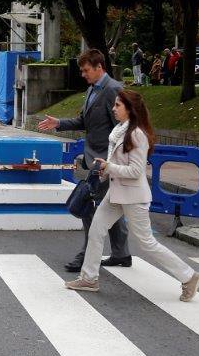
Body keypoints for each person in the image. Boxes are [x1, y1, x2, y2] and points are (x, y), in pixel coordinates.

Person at [65, 90, 199, 301]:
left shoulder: (137, 134)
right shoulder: (120, 130)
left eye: (118, 105)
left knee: (147, 242)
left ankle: (189, 276)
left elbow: (136, 171)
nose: (113, 108)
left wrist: (110, 167)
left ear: (130, 109)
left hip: (133, 196)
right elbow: (118, 165)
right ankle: (89, 278)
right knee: (96, 231)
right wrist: (105, 169)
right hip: (116, 193)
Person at [38, 49, 130, 272]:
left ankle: (87, 256)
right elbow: (84, 121)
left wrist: (113, 162)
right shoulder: (92, 90)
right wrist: (58, 122)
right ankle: (121, 254)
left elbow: (124, 127)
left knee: (88, 207)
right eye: (82, 70)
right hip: (96, 160)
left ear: (99, 67)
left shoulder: (113, 90)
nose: (83, 74)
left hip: (106, 163)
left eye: (86, 70)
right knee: (110, 207)